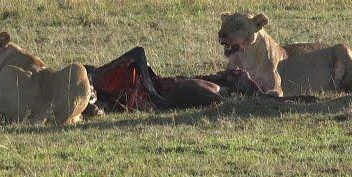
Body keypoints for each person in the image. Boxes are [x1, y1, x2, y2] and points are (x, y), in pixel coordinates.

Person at [82, 46, 269, 115]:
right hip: (179, 94)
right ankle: (257, 104)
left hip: (167, 89)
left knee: (237, 81)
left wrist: (155, 96)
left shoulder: (101, 76)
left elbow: (138, 52)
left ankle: (271, 102)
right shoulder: (108, 102)